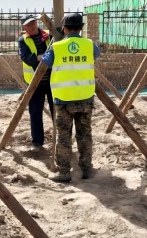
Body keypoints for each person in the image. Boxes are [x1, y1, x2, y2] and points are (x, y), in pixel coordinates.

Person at [41, 13, 101, 183]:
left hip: (64, 99)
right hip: (85, 97)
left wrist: (52, 45)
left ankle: (64, 172)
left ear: (64, 29)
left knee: (64, 137)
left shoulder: (57, 47)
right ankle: (87, 169)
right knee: (84, 135)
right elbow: (96, 55)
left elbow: (46, 62)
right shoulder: (90, 45)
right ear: (81, 28)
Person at [18, 14, 54, 152]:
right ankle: (38, 141)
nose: (32, 27)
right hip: (35, 82)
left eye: (33, 23)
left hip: (52, 81)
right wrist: (40, 58)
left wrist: (46, 58)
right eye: (28, 25)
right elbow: (25, 57)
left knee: (56, 110)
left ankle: (59, 138)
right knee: (35, 112)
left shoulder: (48, 35)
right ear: (24, 27)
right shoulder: (23, 40)